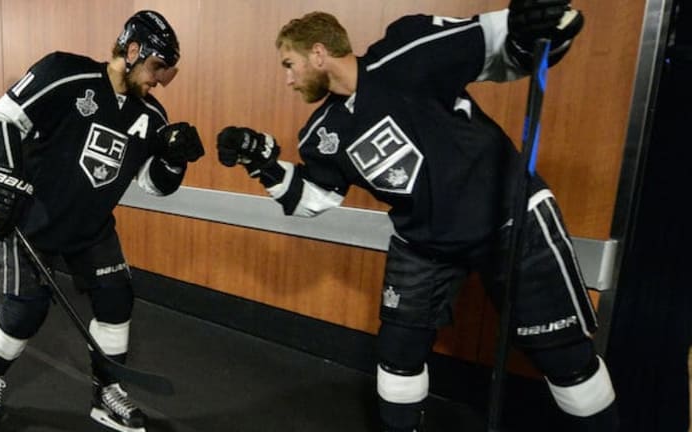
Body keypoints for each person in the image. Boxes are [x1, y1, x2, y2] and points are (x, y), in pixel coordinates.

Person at [216, 2, 618, 431]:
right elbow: (312, 198)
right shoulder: (323, 133)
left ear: (319, 53)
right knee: (398, 354)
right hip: (424, 240)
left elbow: (493, 47)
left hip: (509, 214)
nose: (289, 79)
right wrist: (260, 163)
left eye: (290, 64)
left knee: (564, 356)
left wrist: (525, 26)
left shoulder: (405, 52)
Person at [0, 10, 204, 432]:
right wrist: (7, 178)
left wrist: (174, 157)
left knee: (117, 300)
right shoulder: (65, 73)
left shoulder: (152, 116)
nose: (158, 81)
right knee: (25, 312)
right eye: (156, 69)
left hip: (91, 226)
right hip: (34, 218)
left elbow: (155, 184)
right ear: (133, 51)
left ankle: (106, 393)